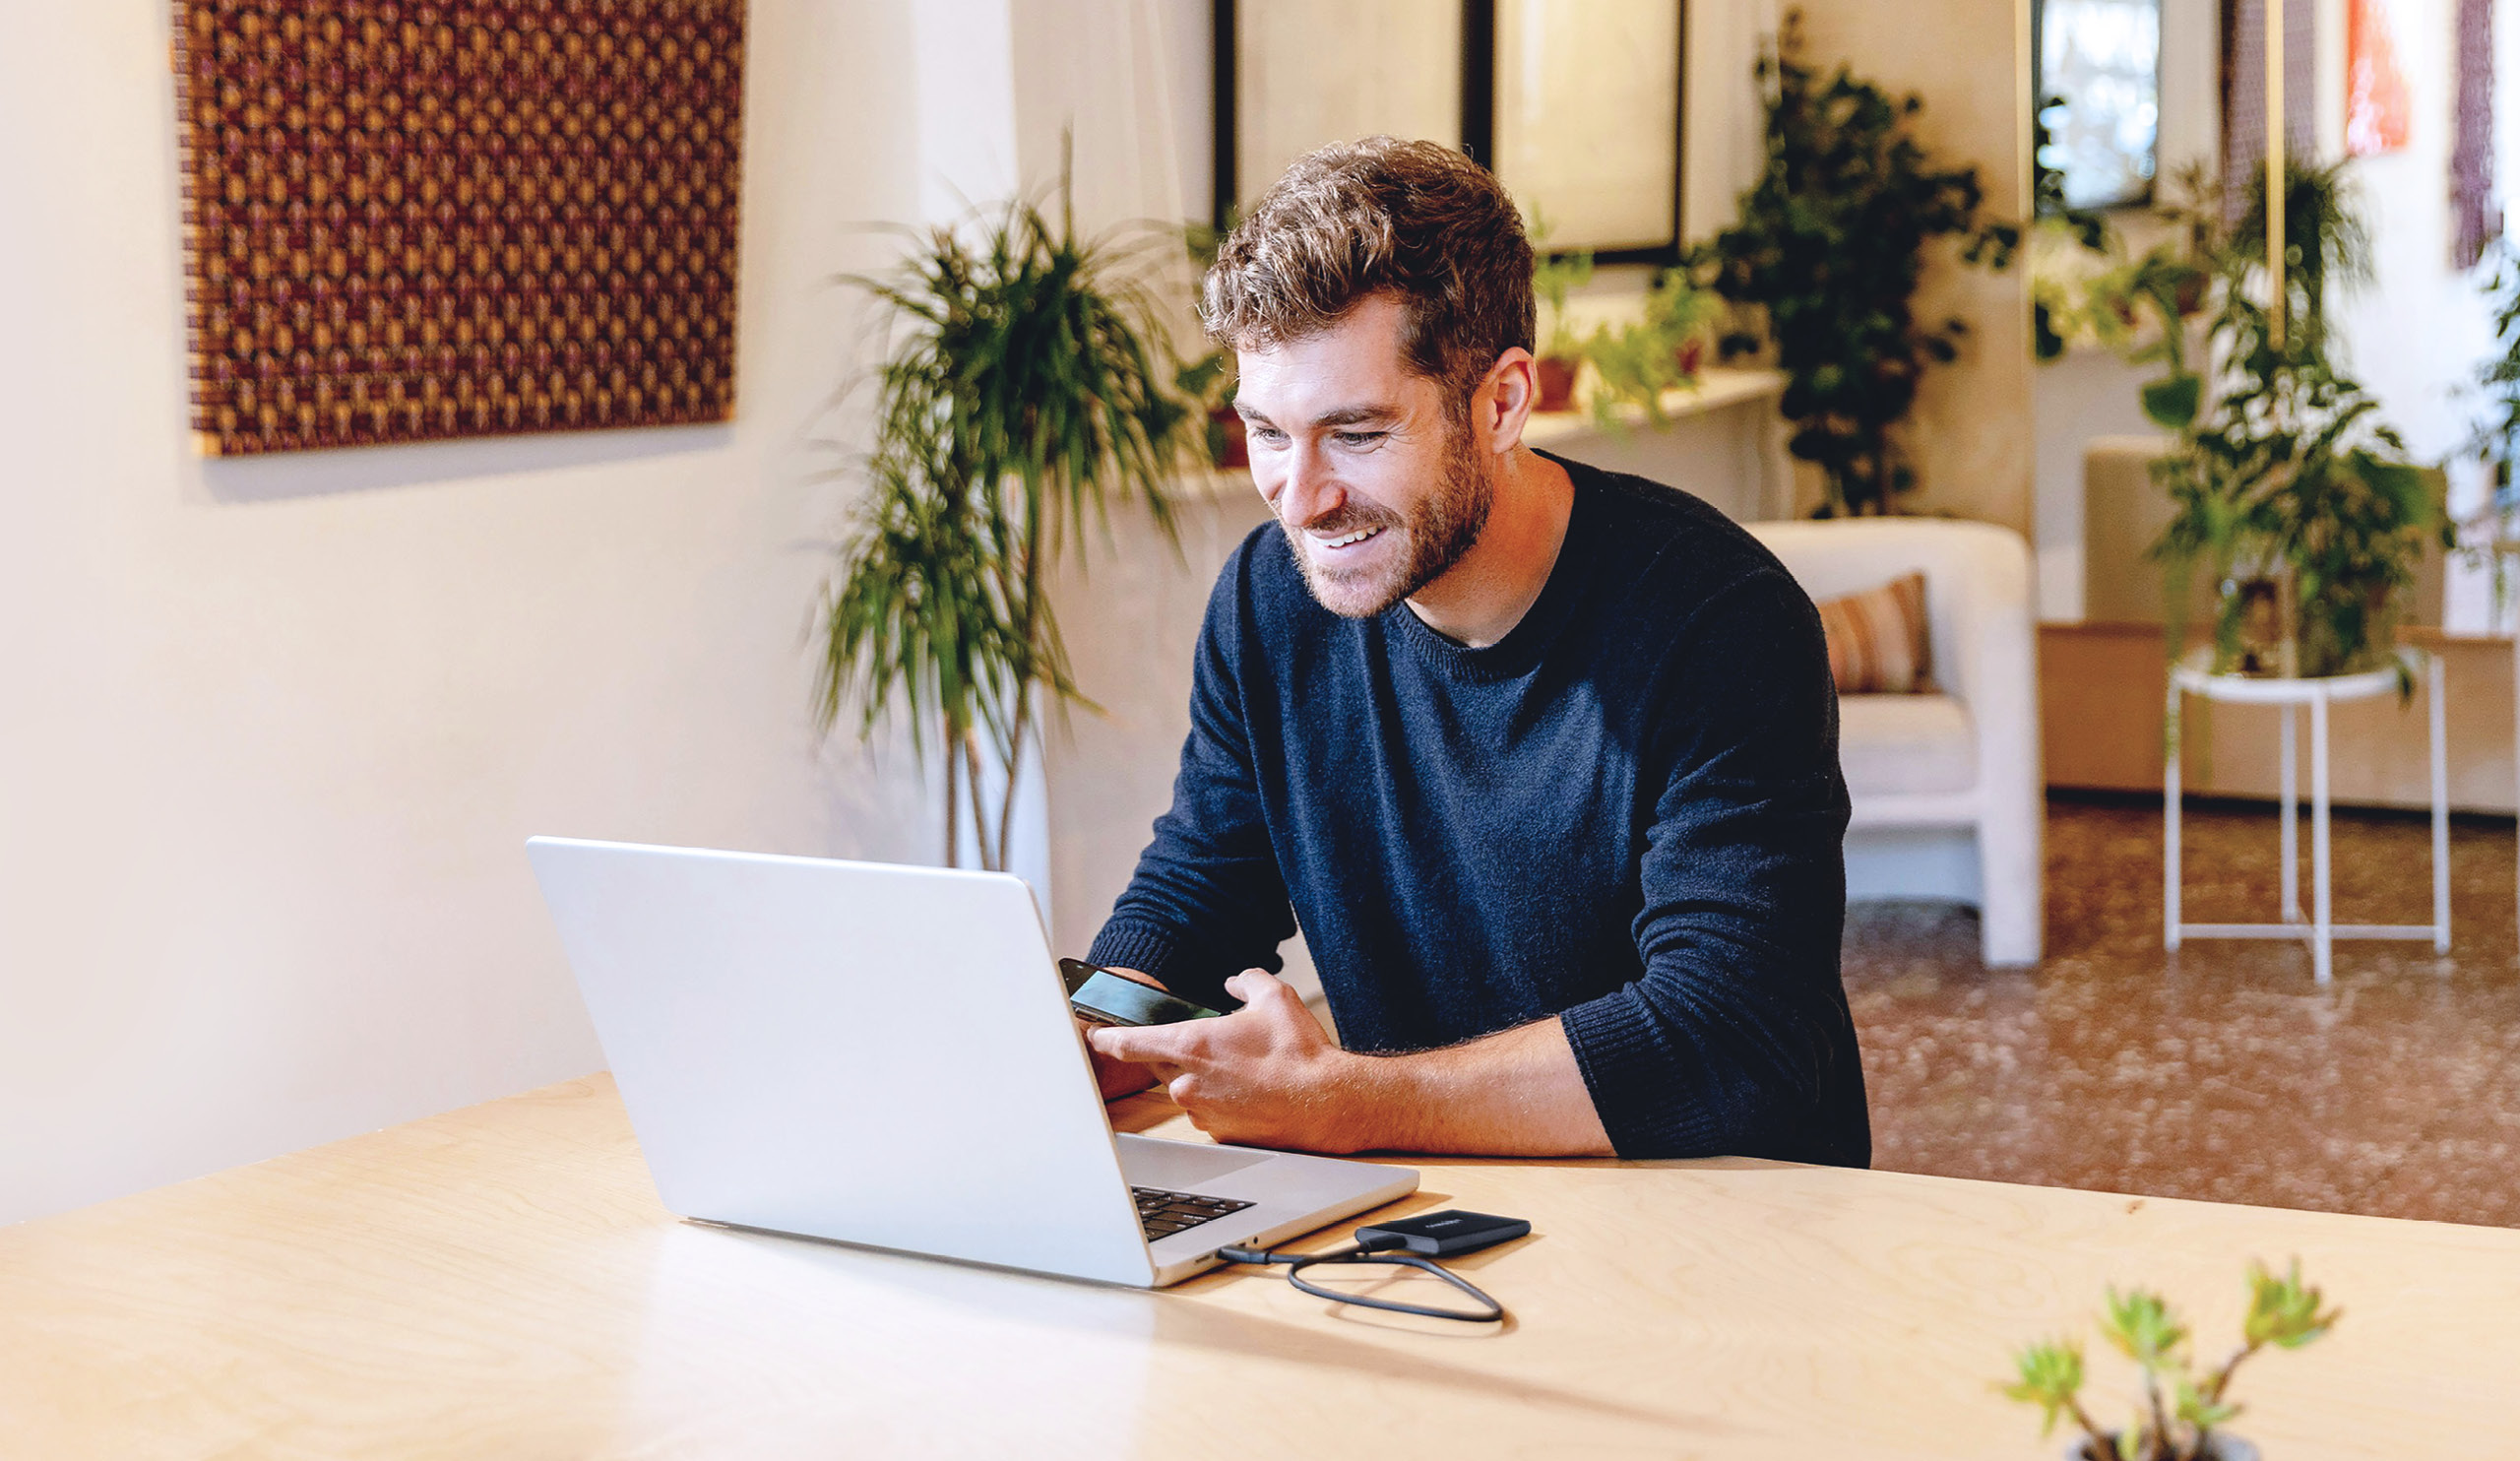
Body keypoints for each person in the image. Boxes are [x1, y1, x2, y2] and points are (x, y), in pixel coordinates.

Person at [1081, 137, 1867, 1167]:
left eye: (1355, 435)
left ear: (1500, 402)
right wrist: (1078, 1044)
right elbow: (1202, 890)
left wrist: (1354, 1102)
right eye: (1267, 432)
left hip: (1716, 1206)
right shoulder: (1268, 600)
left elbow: (1727, 1033)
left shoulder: (1718, 621)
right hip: (1436, 1197)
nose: (1302, 498)